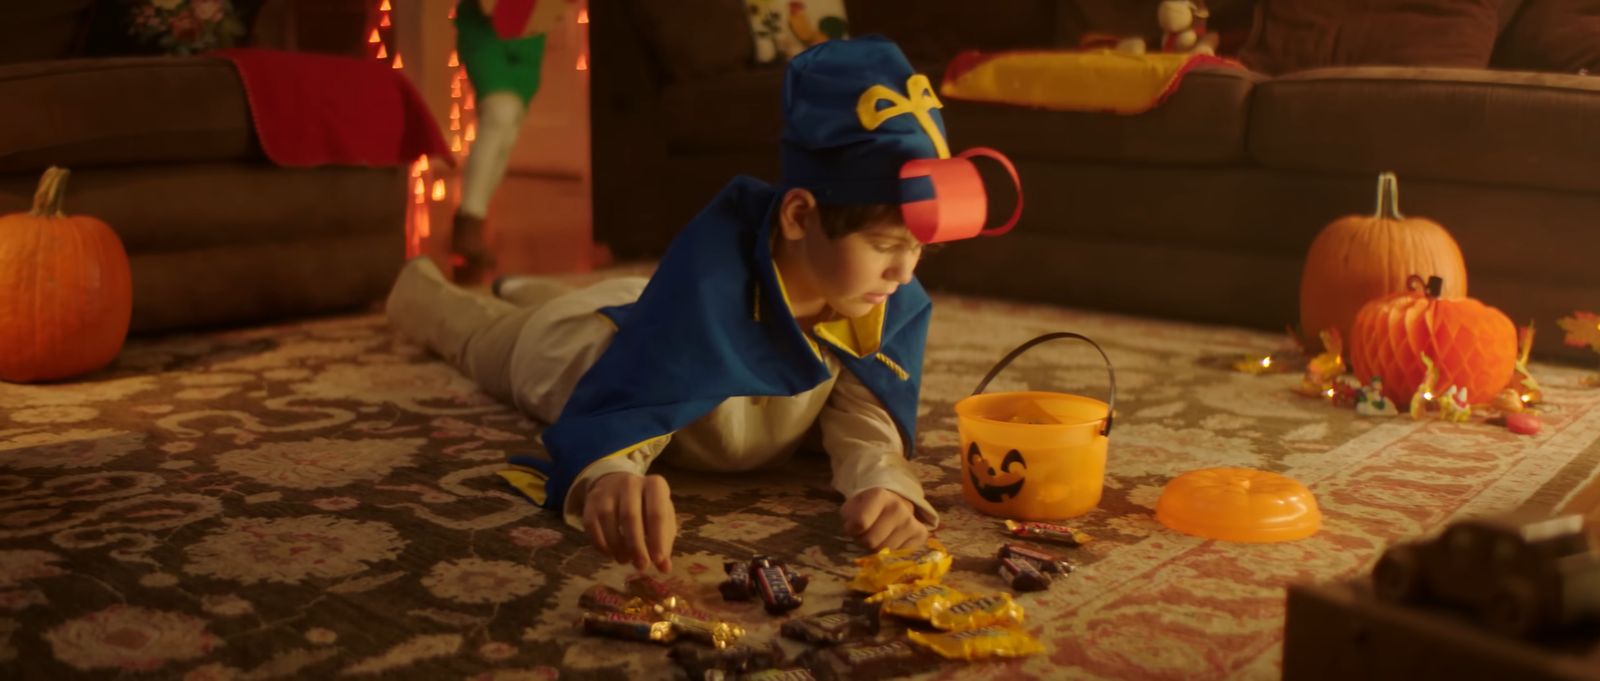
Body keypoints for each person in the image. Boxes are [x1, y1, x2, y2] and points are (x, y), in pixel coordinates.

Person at [386, 36, 1022, 573]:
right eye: (884, 244)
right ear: (800, 215)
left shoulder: (878, 292)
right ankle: (424, 288)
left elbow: (865, 415)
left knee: (622, 297)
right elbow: (624, 401)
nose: (904, 269)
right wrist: (610, 478)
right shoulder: (706, 290)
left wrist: (882, 480)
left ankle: (529, 287)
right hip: (582, 350)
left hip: (645, 307)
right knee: (484, 338)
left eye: (917, 248)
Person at [450, 0, 574, 282]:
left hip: (529, 32)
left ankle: (472, 222)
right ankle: (469, 221)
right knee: (500, 114)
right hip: (485, 27)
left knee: (508, 129)